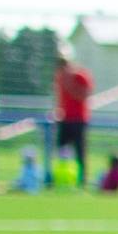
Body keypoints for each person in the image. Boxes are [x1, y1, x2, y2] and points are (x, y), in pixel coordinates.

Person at [51, 46, 92, 186]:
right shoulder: (59, 77)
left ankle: (82, 181)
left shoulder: (80, 76)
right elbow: (59, 97)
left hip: (78, 120)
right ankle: (61, 179)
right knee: (61, 151)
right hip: (65, 119)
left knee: (80, 152)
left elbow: (84, 95)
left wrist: (70, 83)